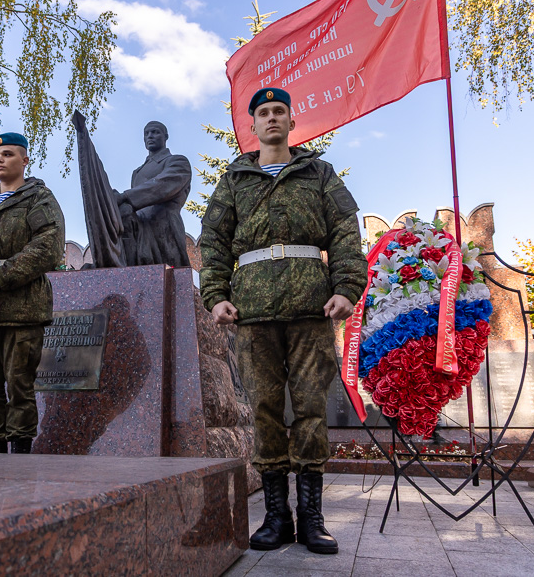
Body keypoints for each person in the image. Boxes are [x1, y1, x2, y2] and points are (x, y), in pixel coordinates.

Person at [199, 88, 367, 555]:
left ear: (292, 122)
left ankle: (312, 518)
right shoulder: (235, 179)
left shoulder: (319, 173)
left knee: (311, 408)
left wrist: (346, 288)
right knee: (265, 410)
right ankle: (277, 517)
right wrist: (215, 297)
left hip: (313, 308)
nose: (272, 118)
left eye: (279, 112)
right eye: (263, 113)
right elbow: (213, 241)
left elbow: (345, 234)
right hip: (252, 312)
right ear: (253, 125)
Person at [0, 132, 65, 454]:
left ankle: (21, 452)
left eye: (8, 154)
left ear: (24, 160)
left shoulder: (39, 198)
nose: (0, 160)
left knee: (20, 385)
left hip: (21, 307)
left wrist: (0, 277)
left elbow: (48, 247)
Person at [116, 120, 192, 267]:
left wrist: (124, 196)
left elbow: (161, 186)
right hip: (138, 230)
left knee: (169, 281)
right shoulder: (136, 172)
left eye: (155, 132)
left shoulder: (177, 162)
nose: (150, 136)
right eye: (146, 133)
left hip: (164, 230)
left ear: (166, 137)